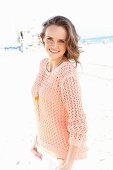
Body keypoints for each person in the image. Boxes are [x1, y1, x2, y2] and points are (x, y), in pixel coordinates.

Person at [31, 15, 88, 170]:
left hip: (64, 157)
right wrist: (38, 139)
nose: (54, 45)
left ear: (67, 43)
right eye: (50, 38)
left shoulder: (66, 73)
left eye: (61, 40)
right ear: (43, 38)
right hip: (45, 149)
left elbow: (79, 123)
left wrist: (68, 164)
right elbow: (46, 108)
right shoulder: (44, 65)